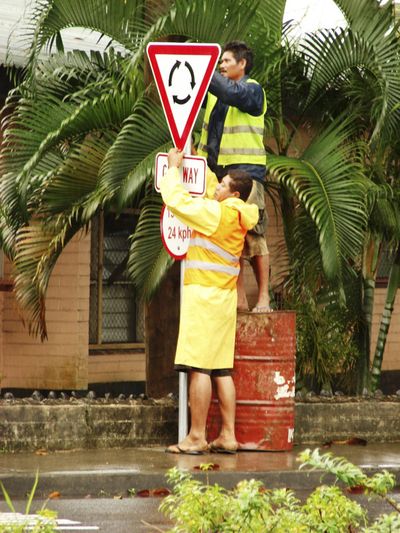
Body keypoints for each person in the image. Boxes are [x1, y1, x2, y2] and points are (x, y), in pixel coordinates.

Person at [160, 147, 258, 454]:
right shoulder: (238, 216)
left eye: (223, 185)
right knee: (221, 369)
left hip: (202, 297)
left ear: (234, 195)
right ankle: (228, 435)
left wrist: (174, 169)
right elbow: (209, 189)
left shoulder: (215, 214)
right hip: (224, 299)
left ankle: (196, 436)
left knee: (198, 367)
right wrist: (197, 156)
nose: (216, 187)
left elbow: (177, 201)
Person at [197, 40, 271, 312]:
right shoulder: (216, 96)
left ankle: (263, 297)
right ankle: (239, 299)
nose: (222, 65)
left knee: (254, 235)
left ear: (243, 64)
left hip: (248, 173)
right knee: (233, 237)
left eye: (227, 61)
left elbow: (230, 91)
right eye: (220, 62)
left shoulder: (253, 91)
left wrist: (203, 66)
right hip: (221, 174)